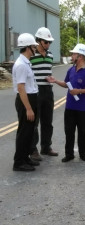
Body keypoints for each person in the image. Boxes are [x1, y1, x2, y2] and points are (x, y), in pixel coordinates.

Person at [47, 43, 85, 162]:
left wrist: (79, 91)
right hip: (70, 107)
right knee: (69, 131)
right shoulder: (71, 70)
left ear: (80, 56)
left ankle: (83, 153)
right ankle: (69, 154)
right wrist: (55, 81)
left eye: (74, 54)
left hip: (84, 108)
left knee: (82, 132)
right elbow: (66, 84)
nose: (71, 56)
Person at [12, 33, 40, 171]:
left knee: (29, 131)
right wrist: (28, 108)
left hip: (30, 99)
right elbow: (21, 88)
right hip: (25, 101)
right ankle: (18, 162)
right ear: (28, 47)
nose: (36, 47)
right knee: (24, 132)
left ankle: (25, 157)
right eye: (34, 46)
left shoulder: (25, 63)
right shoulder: (21, 65)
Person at [30, 27, 58, 161]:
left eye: (49, 42)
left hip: (48, 90)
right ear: (39, 41)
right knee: (34, 122)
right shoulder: (31, 56)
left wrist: (51, 79)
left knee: (48, 121)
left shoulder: (50, 56)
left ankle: (46, 147)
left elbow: (48, 72)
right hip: (36, 91)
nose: (48, 44)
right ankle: (33, 149)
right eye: (46, 42)